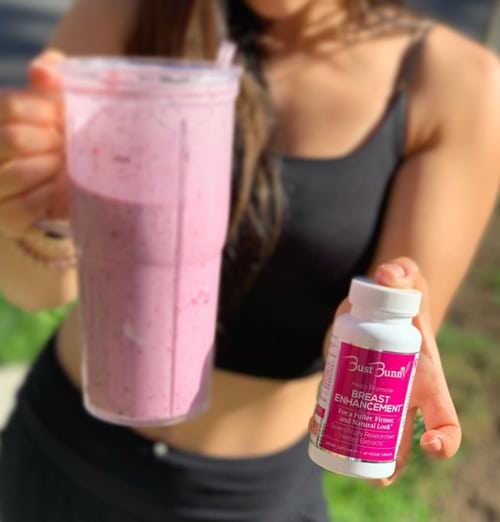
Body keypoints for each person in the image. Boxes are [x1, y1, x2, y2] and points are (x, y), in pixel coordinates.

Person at [0, 0, 499, 520]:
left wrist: (380, 326)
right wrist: (36, 214)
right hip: (60, 460)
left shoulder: (454, 86)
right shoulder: (129, 16)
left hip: (251, 502)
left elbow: (371, 340)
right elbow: (33, 290)